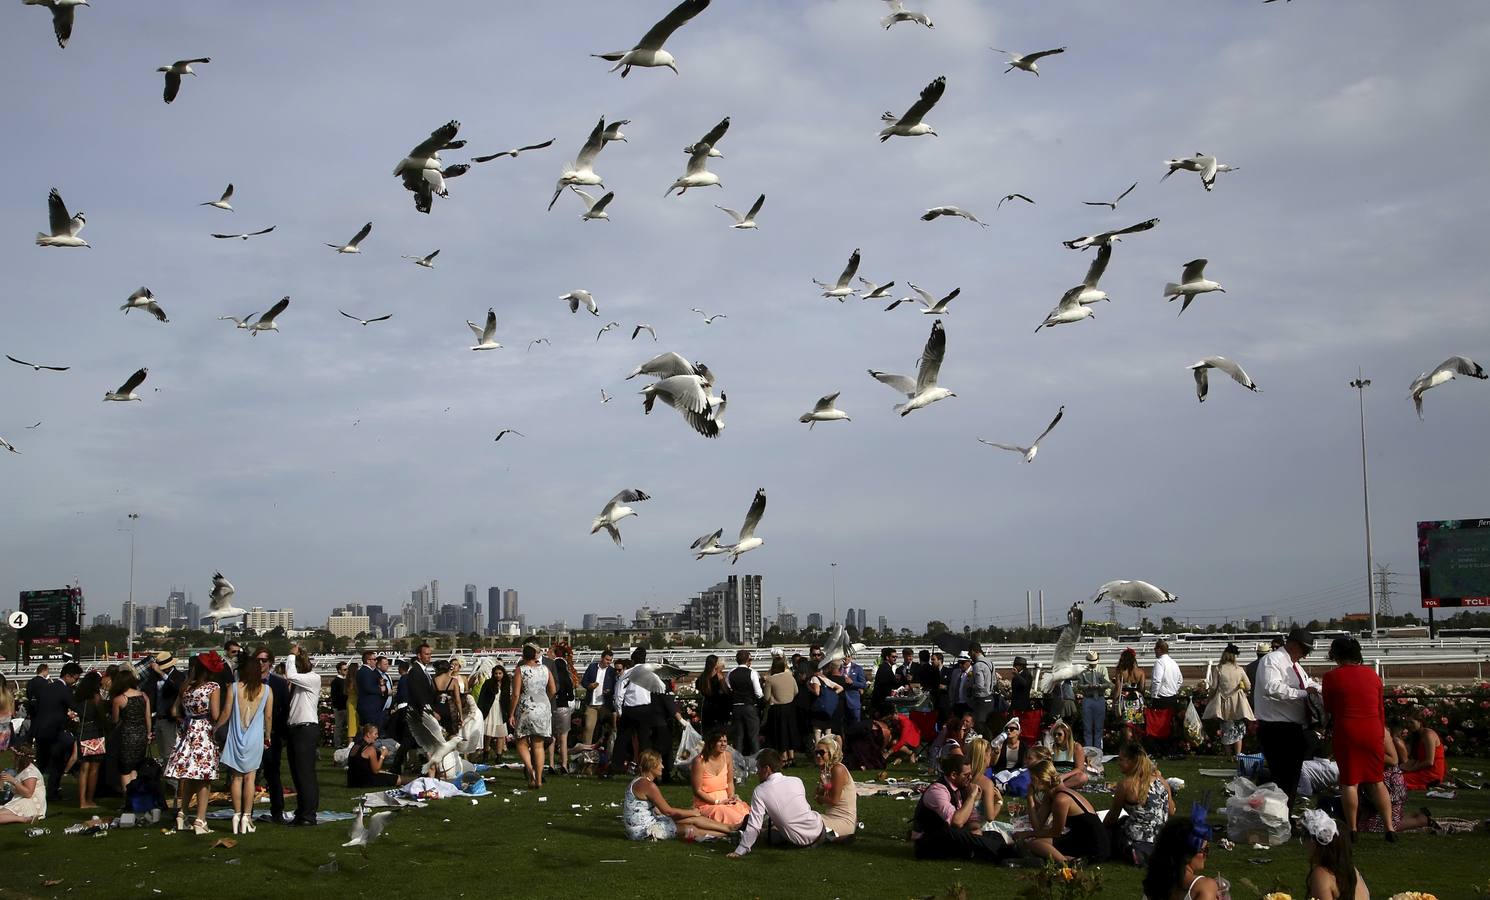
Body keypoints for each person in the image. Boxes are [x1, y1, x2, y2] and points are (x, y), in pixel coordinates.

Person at [1319, 636, 1391, 842]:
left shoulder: (1331, 677)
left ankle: (1352, 829)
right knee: (1377, 781)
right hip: (1373, 730)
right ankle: (1389, 828)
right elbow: (1379, 707)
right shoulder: (1373, 675)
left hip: (1348, 730)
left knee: (1350, 782)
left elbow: (1329, 707)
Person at [1254, 627, 1320, 807]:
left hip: (1292, 728)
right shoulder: (1272, 660)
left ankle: (1285, 814)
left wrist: (1320, 689)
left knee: (1290, 779)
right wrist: (1303, 693)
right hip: (1277, 729)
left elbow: (1307, 683)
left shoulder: (1294, 664)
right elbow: (1272, 688)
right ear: (1293, 645)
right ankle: (1280, 815)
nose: (1305, 655)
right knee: (1283, 779)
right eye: (1304, 650)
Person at [726, 749, 827, 858]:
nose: (757, 773)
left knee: (766, 834)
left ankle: (742, 836)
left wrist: (740, 851)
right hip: (820, 831)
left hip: (800, 842)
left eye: (758, 768)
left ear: (767, 769)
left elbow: (754, 826)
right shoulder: (796, 780)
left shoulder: (760, 791)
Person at [910, 752, 1011, 861]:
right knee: (954, 833)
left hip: (951, 835)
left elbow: (973, 822)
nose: (970, 778)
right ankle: (1006, 852)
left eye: (970, 774)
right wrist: (972, 797)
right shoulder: (937, 790)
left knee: (993, 835)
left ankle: (994, 852)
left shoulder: (961, 788)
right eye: (966, 775)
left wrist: (975, 830)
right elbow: (957, 822)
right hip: (928, 840)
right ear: (953, 775)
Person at [164, 653, 224, 834]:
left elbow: (174, 710)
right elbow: (215, 714)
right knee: (204, 778)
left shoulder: (186, 686)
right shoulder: (212, 687)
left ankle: (182, 813)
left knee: (188, 776)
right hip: (204, 733)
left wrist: (186, 718)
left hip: (188, 731)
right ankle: (200, 819)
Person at [625, 749, 736, 842]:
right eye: (660, 763)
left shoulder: (640, 781)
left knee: (692, 819)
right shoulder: (648, 785)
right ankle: (729, 834)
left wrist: (688, 814)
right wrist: (691, 812)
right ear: (652, 766)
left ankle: (731, 828)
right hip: (644, 831)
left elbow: (658, 810)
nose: (662, 767)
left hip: (646, 823)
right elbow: (668, 811)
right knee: (691, 828)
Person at [218, 646, 272, 835]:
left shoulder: (234, 688)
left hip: (236, 736)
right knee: (250, 778)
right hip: (255, 738)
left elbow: (226, 713)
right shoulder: (266, 690)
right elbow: (268, 717)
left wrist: (215, 727)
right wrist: (268, 737)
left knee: (236, 778)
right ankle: (247, 816)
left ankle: (236, 814)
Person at [1023, 759, 1109, 863]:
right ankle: (1068, 858)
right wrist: (1030, 798)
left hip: (1094, 845)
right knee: (1036, 842)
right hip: (1080, 838)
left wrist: (1029, 834)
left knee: (1036, 844)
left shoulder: (1061, 799)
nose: (1030, 783)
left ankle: (1068, 862)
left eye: (1032, 779)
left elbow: (1055, 832)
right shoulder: (1051, 795)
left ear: (1039, 780)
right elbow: (1037, 826)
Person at [1105, 742, 1174, 865]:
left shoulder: (1126, 785)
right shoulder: (1162, 782)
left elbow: (1112, 817)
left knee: (1113, 828)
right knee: (1125, 820)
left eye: (1121, 759)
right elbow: (1171, 811)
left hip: (1136, 842)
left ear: (1132, 761)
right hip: (1160, 841)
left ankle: (1135, 853)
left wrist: (1101, 828)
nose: (1118, 763)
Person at [1360, 725, 1434, 834]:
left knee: (1371, 827)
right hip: (1379, 784)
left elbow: (1394, 760)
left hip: (1389, 785)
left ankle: (1421, 820)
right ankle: (1413, 815)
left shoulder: (1382, 732)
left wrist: (1364, 754)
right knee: (1364, 821)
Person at [1141, 815, 1226, 900]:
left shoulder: (1154, 884)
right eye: (1205, 849)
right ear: (1187, 855)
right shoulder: (1204, 887)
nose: (1206, 855)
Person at [282, 644, 321, 827]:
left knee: (305, 773)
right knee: (297, 773)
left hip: (306, 728)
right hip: (296, 728)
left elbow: (290, 674)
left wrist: (291, 655)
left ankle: (308, 814)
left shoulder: (313, 678)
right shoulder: (300, 683)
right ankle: (302, 811)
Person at [32, 661, 81, 802]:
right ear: (68, 676)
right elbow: (74, 706)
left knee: (42, 763)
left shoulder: (47, 687)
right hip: (55, 730)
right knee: (57, 762)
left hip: (40, 729)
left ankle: (35, 790)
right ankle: (53, 792)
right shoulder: (64, 690)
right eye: (76, 678)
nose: (76, 682)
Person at [254, 646, 291, 825]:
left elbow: (285, 709)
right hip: (251, 733)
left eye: (264, 660)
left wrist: (280, 734)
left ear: (270, 663)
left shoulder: (279, 683)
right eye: (258, 660)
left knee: (272, 773)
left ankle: (277, 810)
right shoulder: (247, 682)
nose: (261, 663)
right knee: (250, 774)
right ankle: (246, 810)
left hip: (273, 733)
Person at [510, 644, 555, 789]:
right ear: (535, 655)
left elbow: (516, 694)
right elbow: (553, 689)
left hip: (526, 707)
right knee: (539, 744)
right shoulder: (545, 669)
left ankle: (530, 769)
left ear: (523, 656)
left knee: (521, 741)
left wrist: (511, 713)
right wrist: (544, 700)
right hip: (543, 707)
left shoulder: (521, 670)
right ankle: (539, 779)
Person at [1302, 809, 1369, 900]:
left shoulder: (1321, 874)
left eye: (1306, 837)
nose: (1305, 844)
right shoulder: (1353, 871)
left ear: (1318, 844)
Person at [1202, 644, 1254, 757]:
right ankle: (1238, 754)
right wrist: (1241, 688)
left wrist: (1209, 698)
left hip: (1223, 701)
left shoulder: (1218, 669)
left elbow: (1213, 687)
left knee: (1225, 729)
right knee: (1238, 729)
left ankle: (1229, 755)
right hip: (1238, 702)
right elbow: (1248, 685)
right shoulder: (1239, 669)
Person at [690, 726, 749, 828]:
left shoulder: (728, 756)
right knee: (728, 814)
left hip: (725, 800)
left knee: (743, 811)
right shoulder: (699, 762)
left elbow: (730, 782)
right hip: (707, 804)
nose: (723, 744)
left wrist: (731, 796)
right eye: (720, 741)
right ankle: (741, 828)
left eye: (725, 741)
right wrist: (717, 802)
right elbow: (697, 791)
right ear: (711, 743)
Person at [108, 665, 152, 793]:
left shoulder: (119, 699)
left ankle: (128, 797)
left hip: (126, 735)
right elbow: (148, 717)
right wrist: (148, 733)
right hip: (141, 734)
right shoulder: (143, 696)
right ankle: (136, 795)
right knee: (135, 768)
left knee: (125, 770)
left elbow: (115, 720)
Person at [72, 670, 108, 809]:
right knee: (94, 768)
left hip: (82, 731)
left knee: (84, 768)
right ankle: (89, 799)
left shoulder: (79, 697)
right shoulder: (96, 697)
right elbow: (102, 716)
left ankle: (82, 801)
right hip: (95, 731)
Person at [142, 652, 182, 770]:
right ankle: (166, 773)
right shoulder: (154, 677)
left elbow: (177, 688)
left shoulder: (178, 676)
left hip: (170, 719)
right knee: (162, 752)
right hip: (158, 717)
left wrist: (161, 673)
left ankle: (171, 777)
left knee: (170, 752)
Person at [813, 736, 857, 843]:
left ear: (831, 753)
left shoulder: (838, 769)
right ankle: (829, 836)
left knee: (807, 822)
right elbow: (821, 798)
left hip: (843, 821)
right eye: (816, 752)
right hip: (831, 817)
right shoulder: (826, 771)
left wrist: (818, 797)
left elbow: (834, 800)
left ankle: (834, 836)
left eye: (821, 752)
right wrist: (821, 788)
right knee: (805, 819)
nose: (818, 756)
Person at [762, 655, 800, 765]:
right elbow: (796, 691)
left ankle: (783, 756)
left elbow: (766, 697)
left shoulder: (770, 680)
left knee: (780, 732)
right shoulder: (790, 677)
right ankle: (791, 756)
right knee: (790, 731)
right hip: (790, 707)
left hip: (777, 709)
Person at [1147, 641, 1183, 756]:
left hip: (1161, 698)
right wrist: (1174, 689)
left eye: (1155, 649)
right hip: (1172, 697)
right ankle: (1170, 750)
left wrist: (1153, 695)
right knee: (1170, 725)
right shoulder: (1173, 662)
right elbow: (1180, 680)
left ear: (1159, 649)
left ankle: (1159, 750)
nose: (1154, 651)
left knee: (1158, 725)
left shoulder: (1159, 662)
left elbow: (1157, 680)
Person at [547, 643, 578, 773]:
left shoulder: (550, 674)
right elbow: (571, 696)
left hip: (551, 706)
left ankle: (551, 764)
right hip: (564, 708)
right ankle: (564, 764)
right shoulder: (567, 676)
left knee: (552, 737)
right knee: (564, 738)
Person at [727, 649, 764, 755]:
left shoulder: (731, 673)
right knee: (753, 736)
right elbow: (758, 693)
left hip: (736, 706)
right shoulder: (752, 672)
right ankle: (756, 759)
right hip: (749, 706)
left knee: (738, 737)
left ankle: (737, 761)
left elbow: (728, 688)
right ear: (748, 660)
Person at [0, 743, 47, 825]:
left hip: (30, 803)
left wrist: (13, 781)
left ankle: (24, 819)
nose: (12, 758)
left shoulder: (30, 772)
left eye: (13, 756)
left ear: (19, 758)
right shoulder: (22, 769)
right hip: (21, 799)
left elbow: (28, 793)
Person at [1401, 706, 1446, 791]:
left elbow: (1429, 761)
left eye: (1411, 722)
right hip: (1422, 769)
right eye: (1408, 723)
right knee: (1391, 776)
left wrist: (1411, 769)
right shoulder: (1417, 736)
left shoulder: (1428, 735)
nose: (1409, 725)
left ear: (1420, 722)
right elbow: (1415, 759)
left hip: (1431, 773)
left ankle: (1428, 784)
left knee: (1395, 780)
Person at [1075, 650, 1112, 752]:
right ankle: (1088, 750)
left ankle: (1098, 750)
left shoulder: (1102, 669)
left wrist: (1099, 686)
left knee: (1099, 727)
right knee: (1087, 727)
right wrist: (1087, 686)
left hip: (1099, 698)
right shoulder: (1083, 672)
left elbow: (1108, 684)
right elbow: (1079, 685)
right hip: (1088, 698)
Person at [962, 737, 1005, 823]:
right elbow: (990, 817)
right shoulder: (986, 783)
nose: (991, 757)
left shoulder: (962, 776)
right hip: (978, 826)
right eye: (989, 754)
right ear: (984, 756)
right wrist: (999, 802)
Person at [580, 649, 616, 748]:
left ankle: (606, 748)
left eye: (610, 660)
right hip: (592, 704)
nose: (609, 662)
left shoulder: (612, 671)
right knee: (588, 727)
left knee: (607, 728)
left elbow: (615, 687)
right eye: (607, 659)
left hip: (605, 704)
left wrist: (609, 691)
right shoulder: (592, 667)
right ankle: (586, 750)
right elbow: (583, 681)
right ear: (602, 658)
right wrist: (589, 686)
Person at [477, 664, 510, 761]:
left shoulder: (506, 684)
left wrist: (508, 712)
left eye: (500, 673)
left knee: (501, 734)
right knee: (488, 733)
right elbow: (482, 697)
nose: (498, 675)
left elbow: (507, 699)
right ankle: (486, 753)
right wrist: (480, 710)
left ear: (503, 674)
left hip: (501, 710)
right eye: (496, 673)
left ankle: (499, 756)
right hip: (490, 709)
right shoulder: (488, 683)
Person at [1115, 648, 1148, 745]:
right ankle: (1137, 746)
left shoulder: (1120, 672)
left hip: (1126, 701)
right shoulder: (1140, 672)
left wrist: (1115, 703)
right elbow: (1142, 688)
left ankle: (1128, 746)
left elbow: (1117, 689)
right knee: (1137, 726)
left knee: (1127, 726)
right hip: (1137, 701)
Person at [1044, 718, 1089, 789]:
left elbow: (1079, 769)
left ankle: (1056, 788)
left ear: (1067, 734)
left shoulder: (1076, 747)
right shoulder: (1053, 747)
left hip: (1069, 777)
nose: (1056, 737)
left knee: (1083, 777)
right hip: (1055, 777)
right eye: (1055, 734)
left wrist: (1064, 776)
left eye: (1059, 734)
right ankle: (1059, 787)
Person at [808, 659, 845, 742]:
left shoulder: (814, 678)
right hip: (828, 710)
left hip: (818, 708)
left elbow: (817, 692)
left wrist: (809, 688)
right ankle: (829, 746)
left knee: (817, 730)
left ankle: (818, 747)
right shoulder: (825, 678)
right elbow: (840, 688)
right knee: (828, 729)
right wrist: (831, 695)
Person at [696, 655, 731, 731]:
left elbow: (698, 687)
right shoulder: (719, 676)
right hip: (719, 707)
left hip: (706, 707)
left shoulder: (702, 677)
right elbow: (726, 691)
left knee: (708, 732)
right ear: (715, 664)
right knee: (719, 731)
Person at [1010, 656, 1040, 744]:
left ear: (1021, 666)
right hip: (1015, 702)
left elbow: (1025, 684)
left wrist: (1017, 675)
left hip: (1022, 704)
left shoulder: (1026, 674)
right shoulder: (1018, 675)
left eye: (1016, 665)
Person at [355, 650, 385, 731]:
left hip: (369, 706)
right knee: (370, 730)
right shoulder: (366, 672)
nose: (376, 661)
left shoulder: (366, 671)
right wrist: (380, 689)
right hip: (369, 707)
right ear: (368, 661)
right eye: (374, 659)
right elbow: (368, 688)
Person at [841, 647, 867, 726]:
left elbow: (863, 684)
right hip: (841, 701)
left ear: (851, 657)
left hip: (853, 702)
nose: (846, 658)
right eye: (844, 656)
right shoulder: (838, 668)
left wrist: (853, 683)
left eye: (848, 656)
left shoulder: (858, 668)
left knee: (855, 725)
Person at [871, 647, 898, 718]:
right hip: (883, 704)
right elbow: (885, 686)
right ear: (887, 657)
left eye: (896, 657)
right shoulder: (885, 669)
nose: (895, 658)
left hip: (881, 702)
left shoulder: (885, 667)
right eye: (893, 657)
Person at [329, 662, 349, 747]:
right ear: (339, 670)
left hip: (346, 706)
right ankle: (337, 743)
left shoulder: (346, 680)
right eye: (344, 669)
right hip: (340, 708)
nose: (346, 671)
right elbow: (334, 696)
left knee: (345, 727)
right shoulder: (336, 681)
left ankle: (344, 742)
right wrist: (337, 707)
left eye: (347, 669)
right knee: (339, 727)